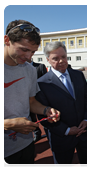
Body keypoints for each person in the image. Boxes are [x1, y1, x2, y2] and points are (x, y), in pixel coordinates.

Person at [4, 20, 60, 167]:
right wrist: (6, 124)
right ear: (6, 40)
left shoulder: (29, 69)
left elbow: (31, 102)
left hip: (26, 146)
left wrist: (46, 110)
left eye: (33, 52)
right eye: (23, 49)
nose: (29, 57)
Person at [36, 41, 87, 167]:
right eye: (55, 58)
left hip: (83, 132)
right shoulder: (41, 83)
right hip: (61, 138)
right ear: (48, 60)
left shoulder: (78, 75)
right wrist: (67, 130)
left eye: (63, 56)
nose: (61, 61)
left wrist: (86, 119)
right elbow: (43, 116)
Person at [26, 58, 48, 142]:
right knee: (31, 116)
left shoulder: (40, 66)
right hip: (28, 96)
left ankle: (47, 132)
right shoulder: (21, 68)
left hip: (40, 96)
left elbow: (45, 81)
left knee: (43, 115)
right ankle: (36, 132)